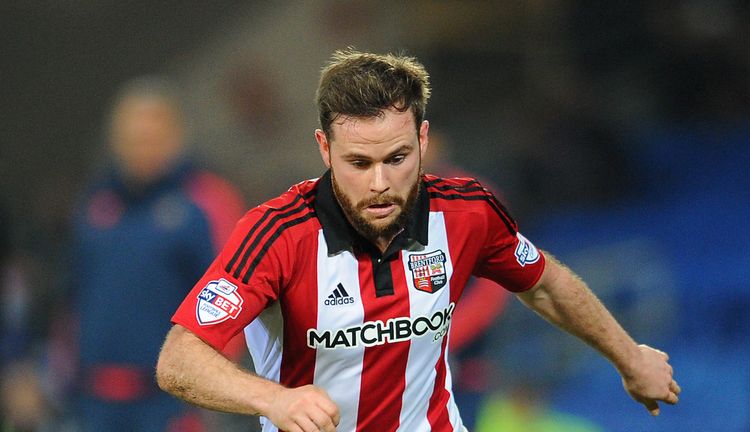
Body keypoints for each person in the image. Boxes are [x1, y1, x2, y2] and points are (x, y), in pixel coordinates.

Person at [156, 50, 680, 432]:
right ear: (324, 148)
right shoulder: (277, 235)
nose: (379, 183)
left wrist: (630, 359)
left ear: (423, 140)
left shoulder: (467, 212)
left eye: (397, 158)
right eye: (358, 163)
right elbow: (179, 361)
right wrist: (272, 399)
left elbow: (544, 284)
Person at [71, 76, 244, 431]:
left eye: (153, 137)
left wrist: (211, 390)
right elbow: (74, 294)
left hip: (169, 403)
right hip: (95, 401)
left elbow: (237, 297)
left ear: (176, 136)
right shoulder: (96, 204)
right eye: (133, 138)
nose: (143, 147)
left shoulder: (206, 200)